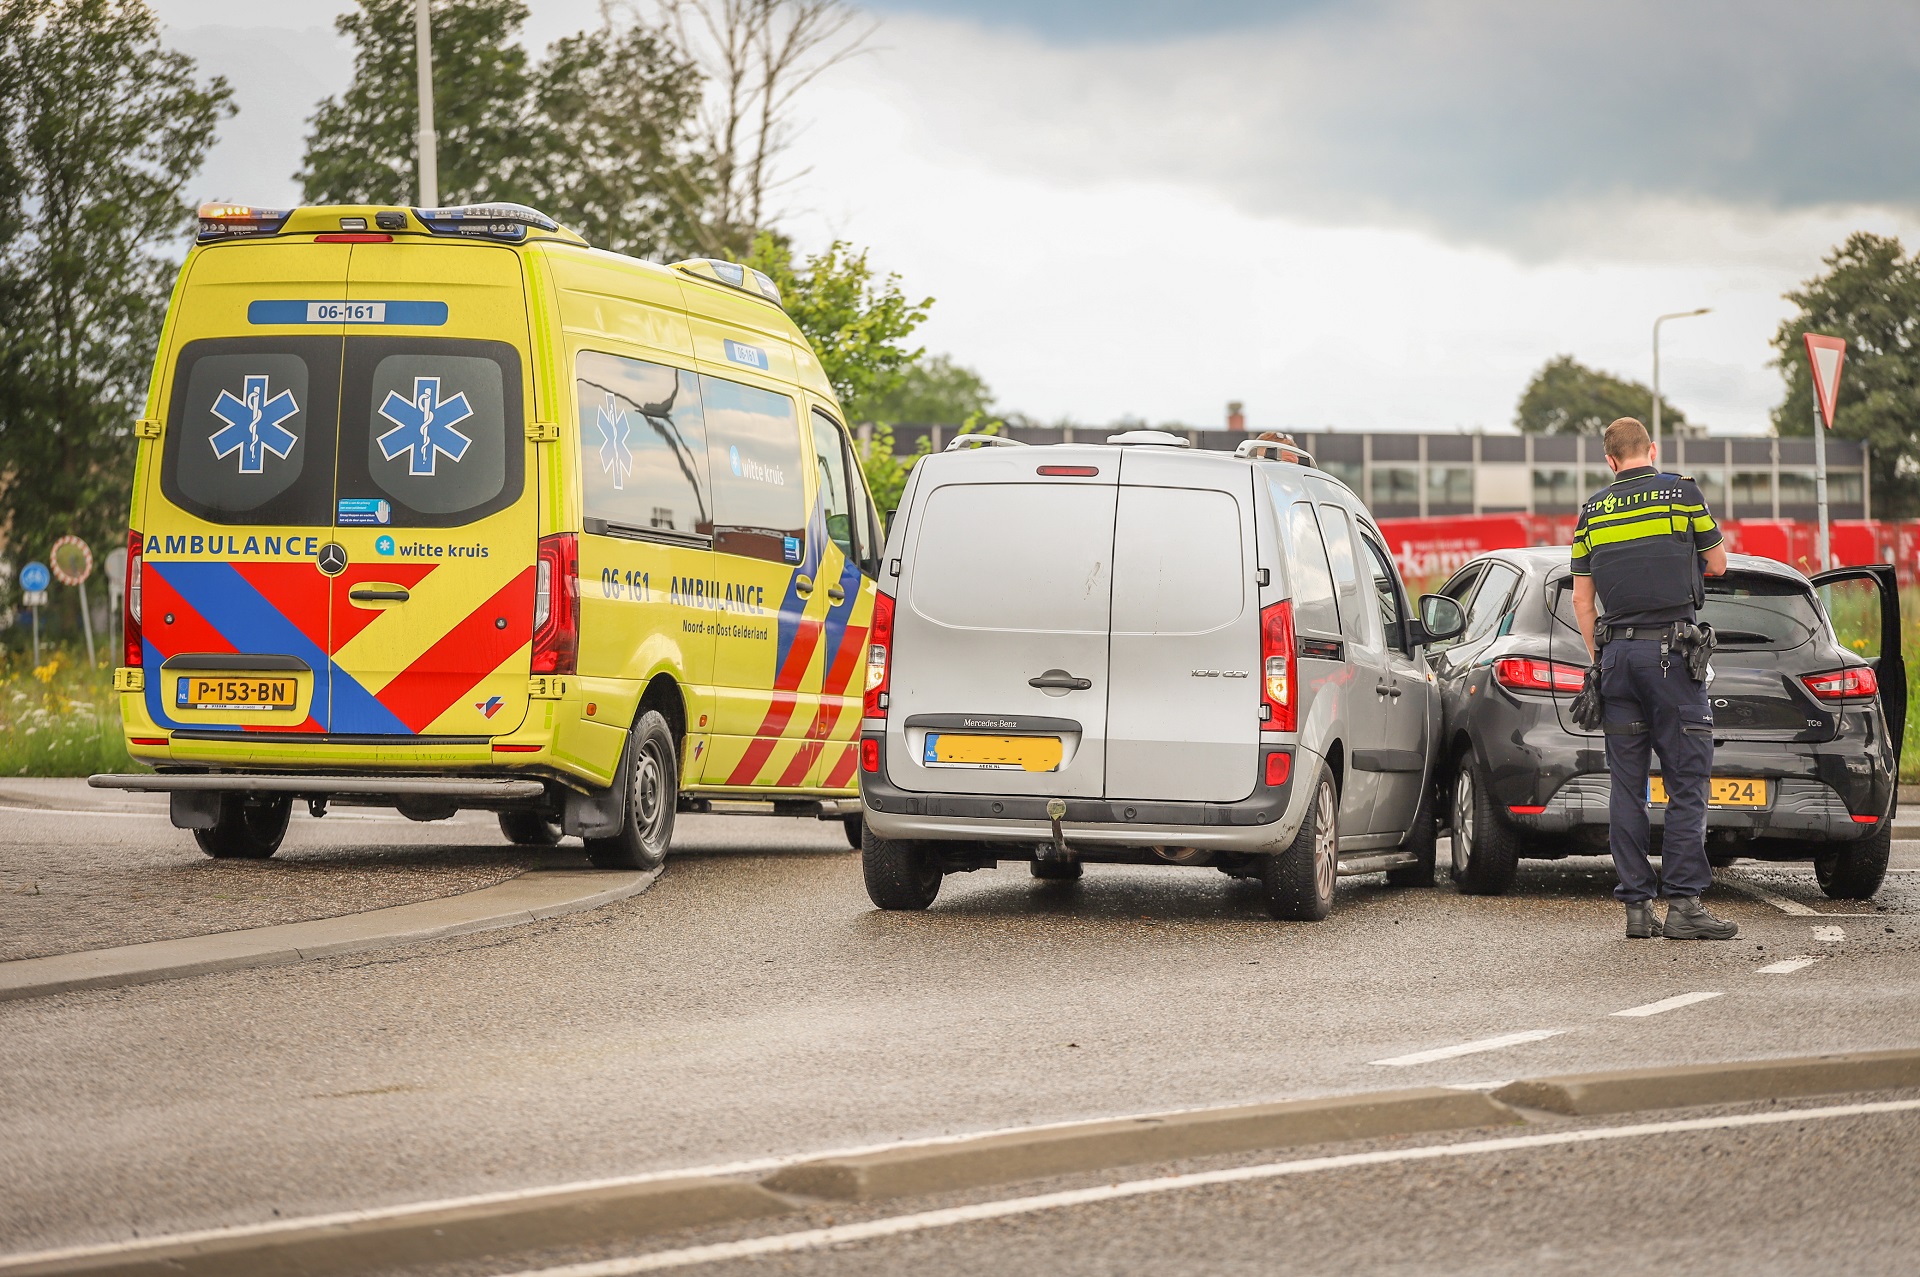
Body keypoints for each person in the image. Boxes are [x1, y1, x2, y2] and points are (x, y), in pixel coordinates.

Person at [1570, 417, 1738, 941]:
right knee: (1686, 781)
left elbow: (1581, 598)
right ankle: (1685, 905)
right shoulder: (1683, 494)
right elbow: (1719, 564)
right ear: (1653, 450)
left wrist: (1600, 656)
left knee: (1627, 786)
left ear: (1610, 461)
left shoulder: (1592, 512)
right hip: (1672, 658)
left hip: (1617, 657)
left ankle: (1637, 908)